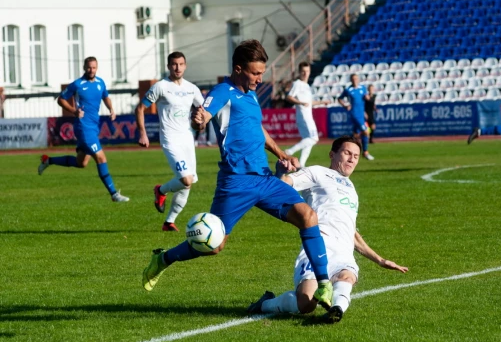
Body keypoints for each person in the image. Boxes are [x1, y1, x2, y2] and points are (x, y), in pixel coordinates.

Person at [142, 40, 334, 308]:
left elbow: (258, 130)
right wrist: (200, 120)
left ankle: (324, 284)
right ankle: (162, 259)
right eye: (255, 73)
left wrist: (281, 153)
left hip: (265, 179)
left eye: (262, 73)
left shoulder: (250, 94)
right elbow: (205, 114)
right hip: (236, 182)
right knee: (215, 245)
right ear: (239, 68)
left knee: (307, 216)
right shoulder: (224, 91)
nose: (260, 78)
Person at [247, 136, 408, 323]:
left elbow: (351, 233)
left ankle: (336, 309)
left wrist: (380, 260)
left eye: (356, 156)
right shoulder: (317, 173)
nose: (352, 159)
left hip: (343, 253)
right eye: (347, 153)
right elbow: (283, 186)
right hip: (318, 247)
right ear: (332, 154)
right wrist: (281, 173)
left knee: (347, 277)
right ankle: (265, 304)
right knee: (306, 304)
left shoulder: (352, 189)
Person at [38, 57, 129, 202]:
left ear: (97, 68)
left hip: (93, 126)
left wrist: (111, 108)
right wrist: (74, 111)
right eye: (88, 67)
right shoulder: (77, 84)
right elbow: (61, 99)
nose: (91, 70)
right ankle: (114, 194)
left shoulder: (100, 82)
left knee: (82, 163)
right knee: (101, 157)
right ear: (84, 67)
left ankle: (48, 161)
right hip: (83, 127)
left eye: (93, 67)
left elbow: (106, 97)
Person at [135, 52, 203, 232]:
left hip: (187, 140)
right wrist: (143, 133)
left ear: (185, 66)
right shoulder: (161, 87)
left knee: (188, 184)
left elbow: (202, 112)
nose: (177, 68)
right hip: (170, 139)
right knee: (186, 179)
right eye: (174, 64)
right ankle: (161, 190)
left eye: (181, 64)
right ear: (168, 66)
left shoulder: (192, 88)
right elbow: (140, 108)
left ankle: (169, 223)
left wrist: (200, 123)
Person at [284, 61, 328, 167]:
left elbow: (309, 102)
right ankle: (289, 151)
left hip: (307, 116)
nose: (305, 73)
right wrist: (300, 103)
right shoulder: (297, 83)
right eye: (303, 71)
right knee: (314, 139)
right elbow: (289, 97)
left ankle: (301, 165)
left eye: (307, 71)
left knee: (308, 141)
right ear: (299, 72)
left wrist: (322, 102)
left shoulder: (307, 86)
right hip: (303, 116)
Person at [338, 74, 375, 160]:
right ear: (351, 80)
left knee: (355, 136)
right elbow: (339, 98)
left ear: (358, 79)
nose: (355, 80)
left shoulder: (362, 88)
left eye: (356, 79)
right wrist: (345, 105)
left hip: (361, 114)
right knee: (366, 132)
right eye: (353, 79)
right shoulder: (348, 90)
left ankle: (344, 149)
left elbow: (366, 99)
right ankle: (365, 152)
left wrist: (369, 96)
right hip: (354, 114)